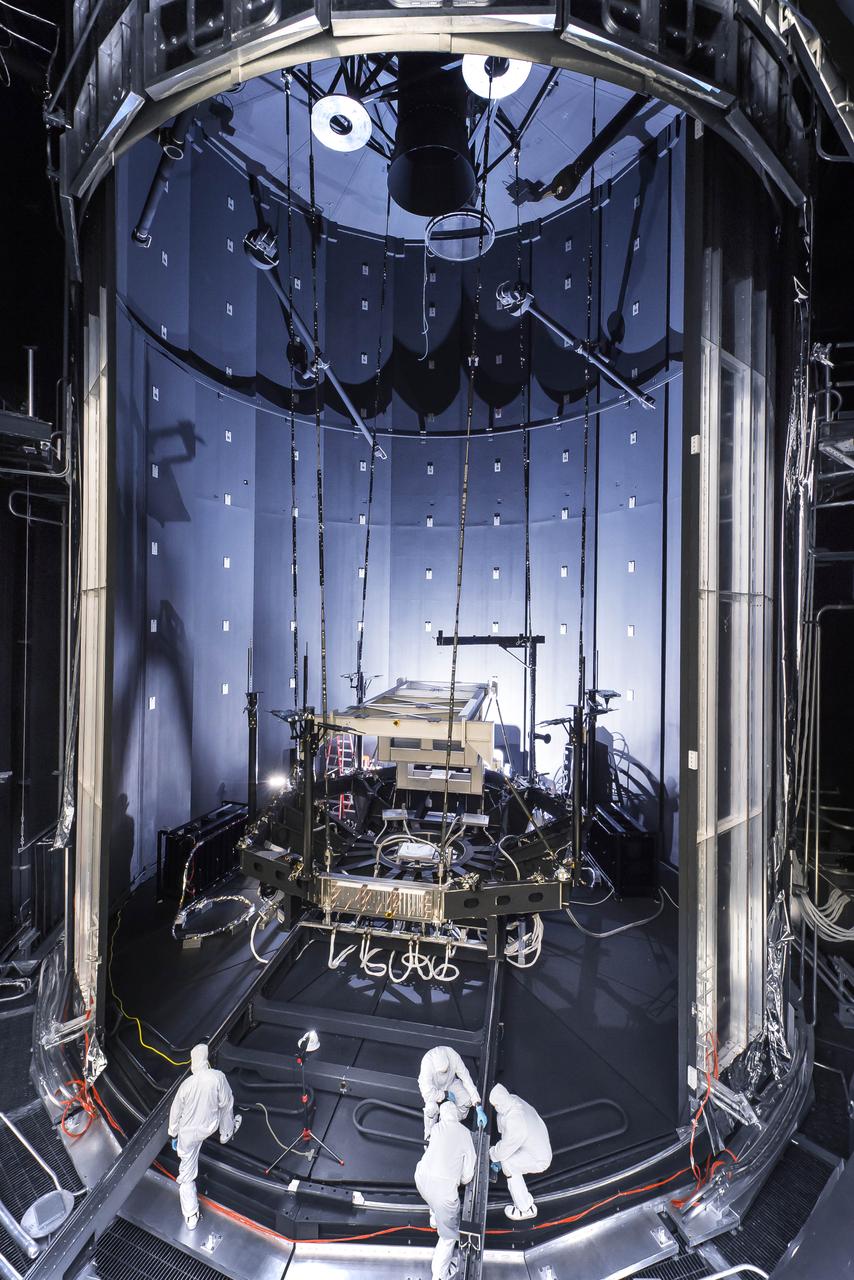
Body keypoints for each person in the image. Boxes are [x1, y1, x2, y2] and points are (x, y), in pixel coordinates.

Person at [167, 1043, 242, 1229]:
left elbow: (175, 1112)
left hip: (188, 1134)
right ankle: (226, 1133)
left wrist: (173, 1134)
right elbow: (226, 1103)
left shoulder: (186, 1085)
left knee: (186, 1174)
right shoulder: (217, 1077)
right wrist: (226, 1125)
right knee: (226, 1104)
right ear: (206, 1060)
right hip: (210, 1126)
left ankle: (191, 1215)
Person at [415, 1100, 477, 1280]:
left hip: (421, 1179)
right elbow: (468, 1174)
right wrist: (460, 1179)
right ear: (457, 1115)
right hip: (443, 1194)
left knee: (432, 1199)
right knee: (449, 1236)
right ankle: (440, 1275)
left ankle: (434, 1220)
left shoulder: (436, 1128)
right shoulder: (465, 1133)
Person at [488, 1083, 552, 1221]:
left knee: (508, 1164)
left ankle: (524, 1208)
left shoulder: (516, 1121)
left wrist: (492, 1154)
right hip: (536, 1145)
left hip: (539, 1158)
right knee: (506, 1156)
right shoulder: (513, 1100)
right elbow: (508, 1136)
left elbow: (506, 1147)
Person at [418, 1045, 487, 1138]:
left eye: (446, 1069)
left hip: (450, 1083)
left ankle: (450, 1123)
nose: (445, 1072)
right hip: (434, 1089)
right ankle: (429, 1136)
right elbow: (427, 1093)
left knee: (467, 1100)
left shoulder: (453, 1056)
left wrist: (478, 1105)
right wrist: (444, 1095)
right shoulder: (427, 1063)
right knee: (431, 1109)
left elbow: (466, 1078)